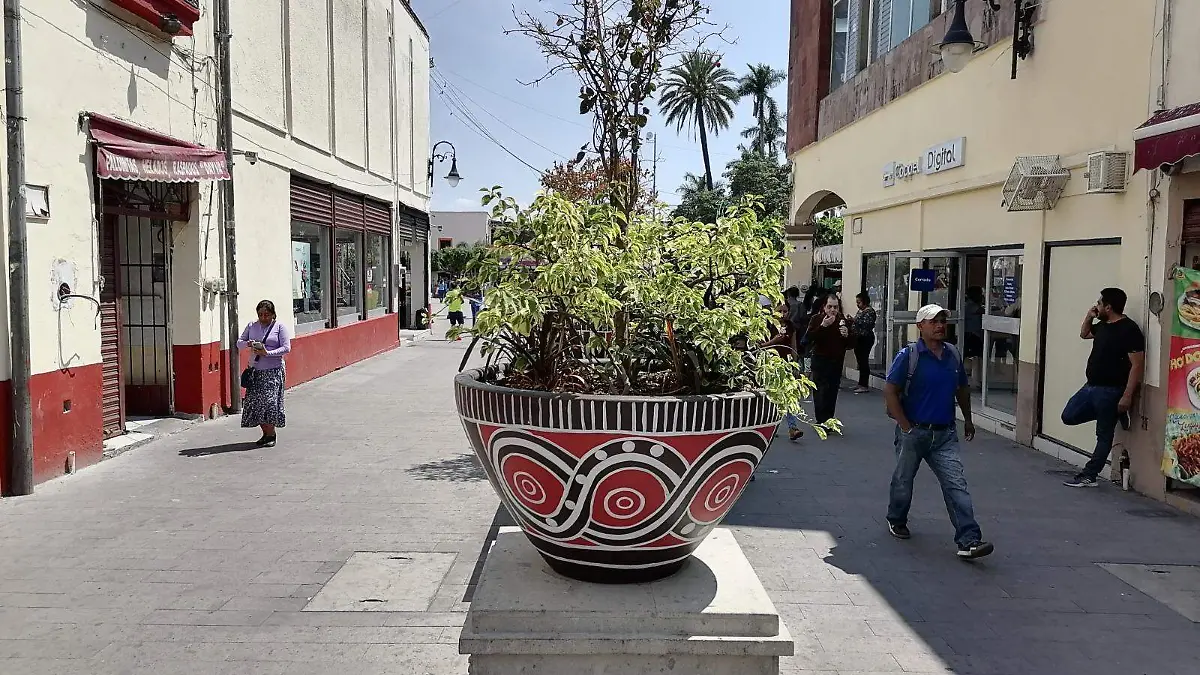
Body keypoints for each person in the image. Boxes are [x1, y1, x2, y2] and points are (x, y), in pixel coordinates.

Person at [883, 304, 992, 560]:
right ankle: (896, 518)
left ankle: (969, 539)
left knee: (956, 485)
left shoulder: (952, 354)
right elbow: (890, 391)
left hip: (945, 435)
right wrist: (905, 426)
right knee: (903, 480)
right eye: (933, 321)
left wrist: (968, 419)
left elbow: (962, 389)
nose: (940, 325)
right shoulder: (909, 355)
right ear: (920, 326)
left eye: (943, 321)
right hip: (914, 432)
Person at [1061, 288, 1144, 488]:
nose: (1096, 306)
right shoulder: (1103, 325)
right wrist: (1089, 316)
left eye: (1099, 303)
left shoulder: (1129, 330)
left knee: (1104, 435)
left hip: (1111, 390)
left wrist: (1127, 396)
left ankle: (1089, 475)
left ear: (1108, 307)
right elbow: (1084, 334)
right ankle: (1112, 413)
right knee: (1068, 416)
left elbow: (1137, 365)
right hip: (1090, 386)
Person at [237, 300, 291, 448]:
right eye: (260, 314)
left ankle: (271, 434)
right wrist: (248, 343)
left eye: (266, 314)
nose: (263, 317)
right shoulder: (252, 326)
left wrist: (267, 353)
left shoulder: (279, 327)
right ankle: (265, 434)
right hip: (255, 371)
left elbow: (286, 348)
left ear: (273, 314)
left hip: (273, 372)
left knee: (269, 403)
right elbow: (239, 343)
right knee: (256, 403)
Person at [805, 294, 855, 424]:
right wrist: (823, 326)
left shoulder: (842, 320)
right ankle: (821, 420)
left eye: (835, 307)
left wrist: (847, 335)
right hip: (820, 360)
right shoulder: (817, 319)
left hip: (836, 361)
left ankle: (829, 419)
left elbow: (851, 344)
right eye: (830, 307)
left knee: (832, 391)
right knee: (820, 391)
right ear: (824, 307)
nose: (832, 310)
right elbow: (807, 339)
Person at [760, 304, 804, 441]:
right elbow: (759, 346)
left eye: (785, 311)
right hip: (769, 364)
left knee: (787, 395)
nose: (783, 314)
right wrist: (774, 341)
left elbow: (793, 345)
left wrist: (795, 364)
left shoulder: (790, 326)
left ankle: (793, 428)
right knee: (771, 397)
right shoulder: (767, 325)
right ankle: (769, 426)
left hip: (785, 364)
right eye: (780, 311)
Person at [852, 292, 877, 394]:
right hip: (858, 338)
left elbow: (866, 324)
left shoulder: (869, 311)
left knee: (863, 361)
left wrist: (854, 320)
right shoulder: (860, 311)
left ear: (864, 302)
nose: (857, 304)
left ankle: (864, 385)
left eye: (859, 302)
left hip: (865, 338)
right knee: (860, 361)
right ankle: (860, 383)